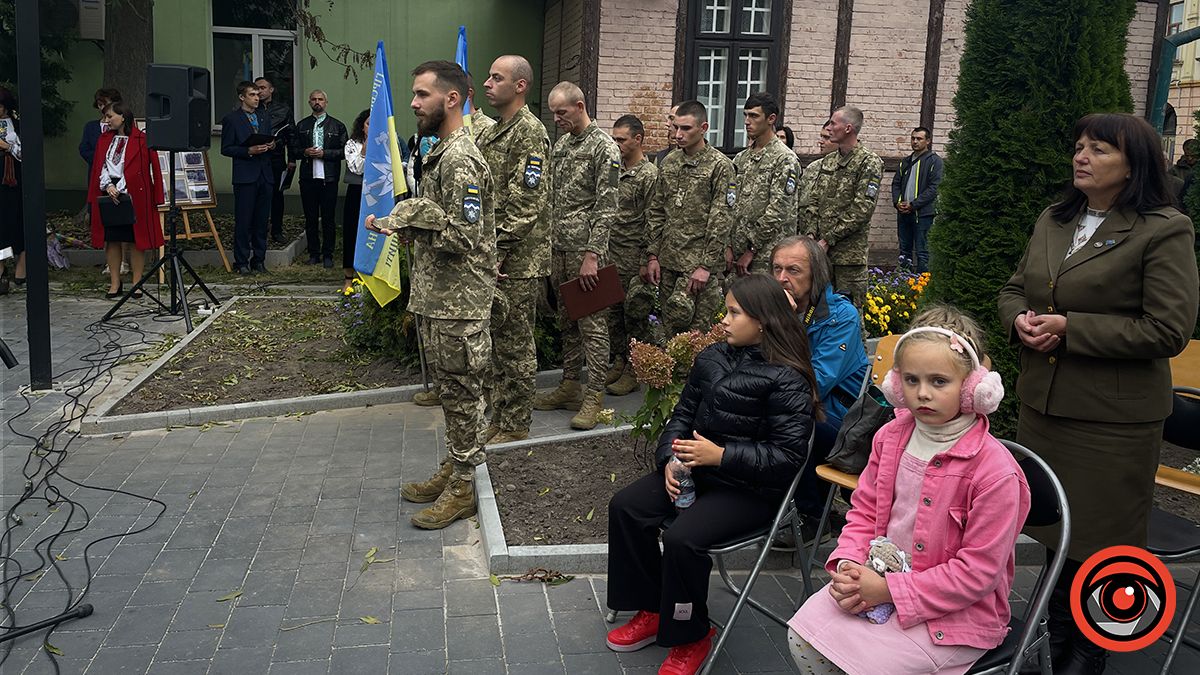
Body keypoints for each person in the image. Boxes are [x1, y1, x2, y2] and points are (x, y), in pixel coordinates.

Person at [998, 112, 1200, 674]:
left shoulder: (1163, 229)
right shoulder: (1056, 219)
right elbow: (1016, 288)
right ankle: (1055, 640)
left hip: (1111, 423)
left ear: (1134, 164)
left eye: (1099, 150)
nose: (1081, 156)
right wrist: (1020, 320)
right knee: (1058, 533)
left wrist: (1070, 328)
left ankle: (1088, 654)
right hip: (1047, 407)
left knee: (1105, 546)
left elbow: (1168, 329)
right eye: (1079, 146)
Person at [788, 307, 1031, 675]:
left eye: (939, 381)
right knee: (803, 637)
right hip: (878, 581)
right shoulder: (890, 437)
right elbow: (865, 511)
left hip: (955, 616)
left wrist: (890, 591)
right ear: (896, 385)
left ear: (972, 389)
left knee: (864, 667)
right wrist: (851, 564)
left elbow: (977, 573)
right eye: (912, 380)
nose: (922, 394)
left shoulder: (994, 471)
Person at [605, 274, 818, 675]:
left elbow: (788, 456)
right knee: (627, 507)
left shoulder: (787, 376)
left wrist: (721, 456)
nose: (724, 320)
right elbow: (680, 416)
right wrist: (670, 457)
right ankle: (653, 608)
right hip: (698, 470)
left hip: (751, 489)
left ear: (763, 321)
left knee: (683, 538)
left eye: (734, 312)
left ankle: (692, 634)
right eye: (726, 310)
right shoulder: (712, 357)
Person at [366, 60, 496, 530]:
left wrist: (412, 214)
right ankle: (456, 467)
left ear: (452, 98)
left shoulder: (461, 158)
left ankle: (463, 485)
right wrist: (410, 220)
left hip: (459, 303)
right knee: (454, 394)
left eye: (423, 95)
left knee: (463, 393)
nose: (415, 103)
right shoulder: (444, 150)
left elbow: (465, 235)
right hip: (442, 298)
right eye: (414, 94)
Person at [473, 55, 552, 443]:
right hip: (493, 255)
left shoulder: (530, 133)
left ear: (520, 86)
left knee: (516, 343)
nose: (487, 83)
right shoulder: (493, 131)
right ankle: (499, 416)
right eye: (489, 76)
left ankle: (516, 424)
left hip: (517, 260)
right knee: (495, 342)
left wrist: (499, 249)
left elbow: (527, 201)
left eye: (496, 77)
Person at [533, 81, 619, 431]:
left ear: (580, 106)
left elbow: (607, 206)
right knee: (566, 321)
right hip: (559, 250)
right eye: (553, 113)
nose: (556, 119)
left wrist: (593, 255)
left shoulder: (604, 148)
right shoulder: (563, 146)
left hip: (587, 253)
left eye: (562, 112)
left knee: (593, 326)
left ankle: (594, 395)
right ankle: (570, 385)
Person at [770, 235, 869, 521]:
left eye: (793, 270)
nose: (782, 278)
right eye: (777, 269)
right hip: (804, 412)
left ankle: (811, 518)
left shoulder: (841, 316)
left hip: (841, 424)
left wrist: (784, 325)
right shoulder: (771, 311)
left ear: (817, 274)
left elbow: (812, 384)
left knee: (793, 420)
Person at [634, 100, 736, 336]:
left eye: (686, 129)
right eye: (676, 127)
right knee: (671, 331)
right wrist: (652, 255)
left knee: (698, 336)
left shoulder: (720, 166)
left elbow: (721, 218)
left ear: (703, 128)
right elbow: (657, 211)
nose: (678, 135)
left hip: (698, 267)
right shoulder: (669, 162)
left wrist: (705, 266)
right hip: (668, 261)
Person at [799, 107, 884, 306]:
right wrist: (811, 236)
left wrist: (828, 239)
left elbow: (862, 209)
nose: (828, 128)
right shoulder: (827, 162)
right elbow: (812, 201)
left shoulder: (869, 163)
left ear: (848, 129)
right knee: (818, 310)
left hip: (848, 258)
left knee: (851, 313)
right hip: (820, 255)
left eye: (832, 123)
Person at [87, 101, 165, 299]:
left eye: (110, 116)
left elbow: (154, 168)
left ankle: (137, 282)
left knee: (136, 241)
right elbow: (100, 166)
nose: (106, 121)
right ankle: (115, 282)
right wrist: (108, 186)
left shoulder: (142, 139)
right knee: (112, 239)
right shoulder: (104, 140)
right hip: (109, 193)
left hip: (135, 195)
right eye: (105, 117)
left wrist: (157, 196)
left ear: (123, 117)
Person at [606, 114, 658, 397]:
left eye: (621, 139)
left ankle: (634, 370)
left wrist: (646, 258)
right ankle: (618, 360)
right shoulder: (614, 169)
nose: (617, 144)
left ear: (638, 139)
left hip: (633, 256)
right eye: (614, 139)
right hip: (611, 252)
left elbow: (653, 218)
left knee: (634, 314)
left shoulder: (648, 175)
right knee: (612, 313)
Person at [728, 92, 800, 277]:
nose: (746, 121)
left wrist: (751, 249)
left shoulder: (785, 159)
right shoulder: (741, 158)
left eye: (753, 116)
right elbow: (729, 204)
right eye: (745, 115)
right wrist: (727, 245)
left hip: (766, 256)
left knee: (763, 304)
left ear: (771, 119)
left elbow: (778, 210)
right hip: (737, 254)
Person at [220, 80, 276, 275]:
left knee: (262, 220)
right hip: (245, 175)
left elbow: (269, 137)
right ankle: (241, 261)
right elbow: (226, 149)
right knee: (244, 220)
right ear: (242, 97)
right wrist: (248, 150)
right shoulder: (232, 119)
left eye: (258, 94)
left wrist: (271, 145)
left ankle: (259, 260)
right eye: (252, 94)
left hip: (265, 173)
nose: (257, 97)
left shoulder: (264, 117)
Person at [293, 89, 347, 268]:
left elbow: (344, 152)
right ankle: (313, 254)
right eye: (314, 99)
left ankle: (328, 254)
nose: (317, 102)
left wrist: (325, 153)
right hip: (308, 178)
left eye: (321, 99)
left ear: (326, 102)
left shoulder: (337, 126)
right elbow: (293, 150)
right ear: (309, 102)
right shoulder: (302, 125)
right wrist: (304, 152)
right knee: (310, 218)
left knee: (328, 218)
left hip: (329, 178)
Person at [892, 126, 943, 273]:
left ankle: (922, 287)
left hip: (923, 214)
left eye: (919, 139)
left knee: (923, 252)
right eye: (913, 138)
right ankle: (902, 284)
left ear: (928, 141)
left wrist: (914, 204)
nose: (915, 141)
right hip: (903, 213)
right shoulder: (905, 162)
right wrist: (897, 202)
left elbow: (934, 188)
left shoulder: (935, 161)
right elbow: (896, 183)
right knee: (904, 252)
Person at [255, 76, 296, 245]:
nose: (260, 91)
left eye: (263, 87)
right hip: (256, 159)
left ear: (271, 90)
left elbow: (291, 135)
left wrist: (292, 159)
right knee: (257, 195)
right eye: (257, 88)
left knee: (277, 196)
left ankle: (277, 231)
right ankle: (258, 230)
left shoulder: (283, 110)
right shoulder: (252, 109)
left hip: (276, 159)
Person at [342, 108, 369, 292]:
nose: (372, 127)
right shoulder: (353, 144)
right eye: (369, 123)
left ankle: (368, 277)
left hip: (377, 194)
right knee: (352, 234)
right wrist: (367, 145)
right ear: (362, 126)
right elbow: (357, 168)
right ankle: (348, 279)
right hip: (357, 192)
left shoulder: (389, 141)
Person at [0, 87, 23, 293]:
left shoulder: (17, 125)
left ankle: (21, 265)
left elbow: (26, 153)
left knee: (14, 221)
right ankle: (1, 268)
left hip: (13, 180)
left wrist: (6, 147)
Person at [79, 88, 122, 173]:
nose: (103, 108)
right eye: (100, 104)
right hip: (96, 172)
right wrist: (101, 159)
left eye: (106, 104)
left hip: (118, 175)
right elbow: (84, 149)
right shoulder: (91, 126)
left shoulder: (121, 126)